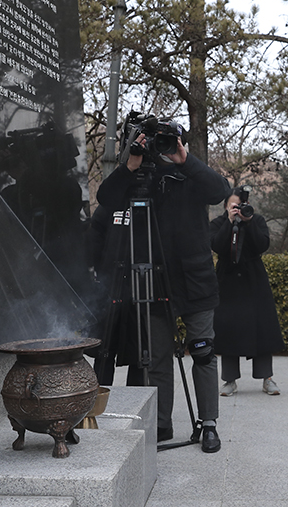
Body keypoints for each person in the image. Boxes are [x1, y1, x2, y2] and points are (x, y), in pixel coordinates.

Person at [96, 124, 230, 453]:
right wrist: (130, 164)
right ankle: (160, 423)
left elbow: (219, 191)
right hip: (152, 278)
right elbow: (106, 200)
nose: (161, 148)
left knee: (202, 350)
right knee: (156, 358)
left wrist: (184, 158)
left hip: (194, 278)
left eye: (168, 142)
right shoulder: (137, 176)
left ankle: (208, 423)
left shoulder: (191, 174)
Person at [210, 187, 286, 397]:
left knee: (261, 329)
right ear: (226, 206)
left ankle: (267, 378)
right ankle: (229, 380)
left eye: (240, 205)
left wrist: (248, 221)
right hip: (227, 282)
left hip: (254, 281)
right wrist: (229, 222)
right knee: (227, 331)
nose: (238, 210)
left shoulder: (257, 221)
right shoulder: (218, 224)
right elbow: (216, 245)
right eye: (234, 206)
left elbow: (262, 244)